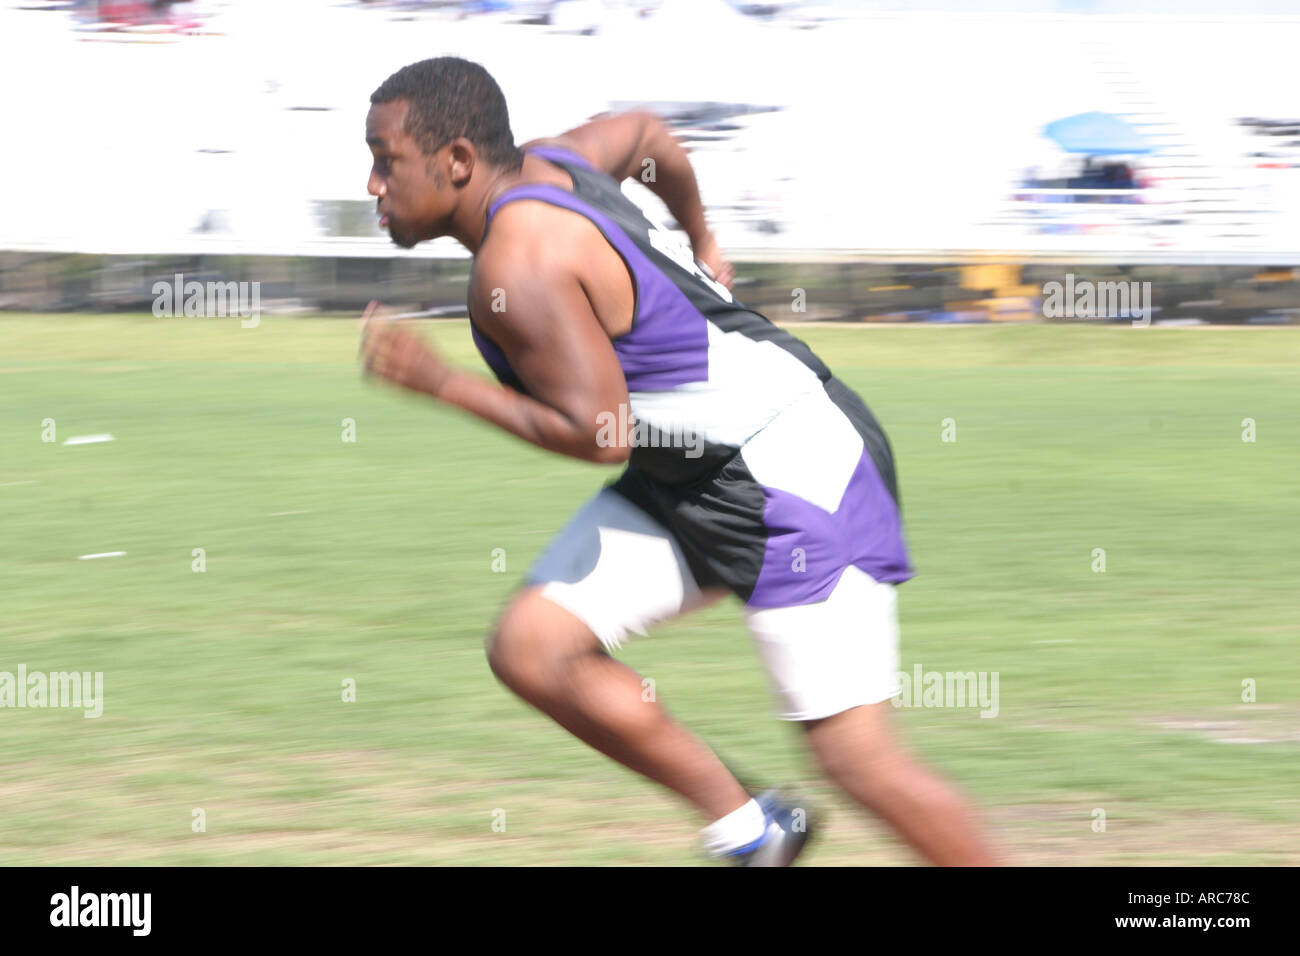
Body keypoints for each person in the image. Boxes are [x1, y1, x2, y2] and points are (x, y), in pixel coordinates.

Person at [359, 56, 997, 866]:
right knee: (533, 647)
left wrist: (441, 382)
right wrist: (701, 235)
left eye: (386, 160)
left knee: (856, 760)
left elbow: (600, 433)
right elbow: (648, 136)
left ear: (454, 161)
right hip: (689, 475)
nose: (373, 184)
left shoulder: (517, 263)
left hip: (792, 472)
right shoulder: (558, 159)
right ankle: (750, 832)